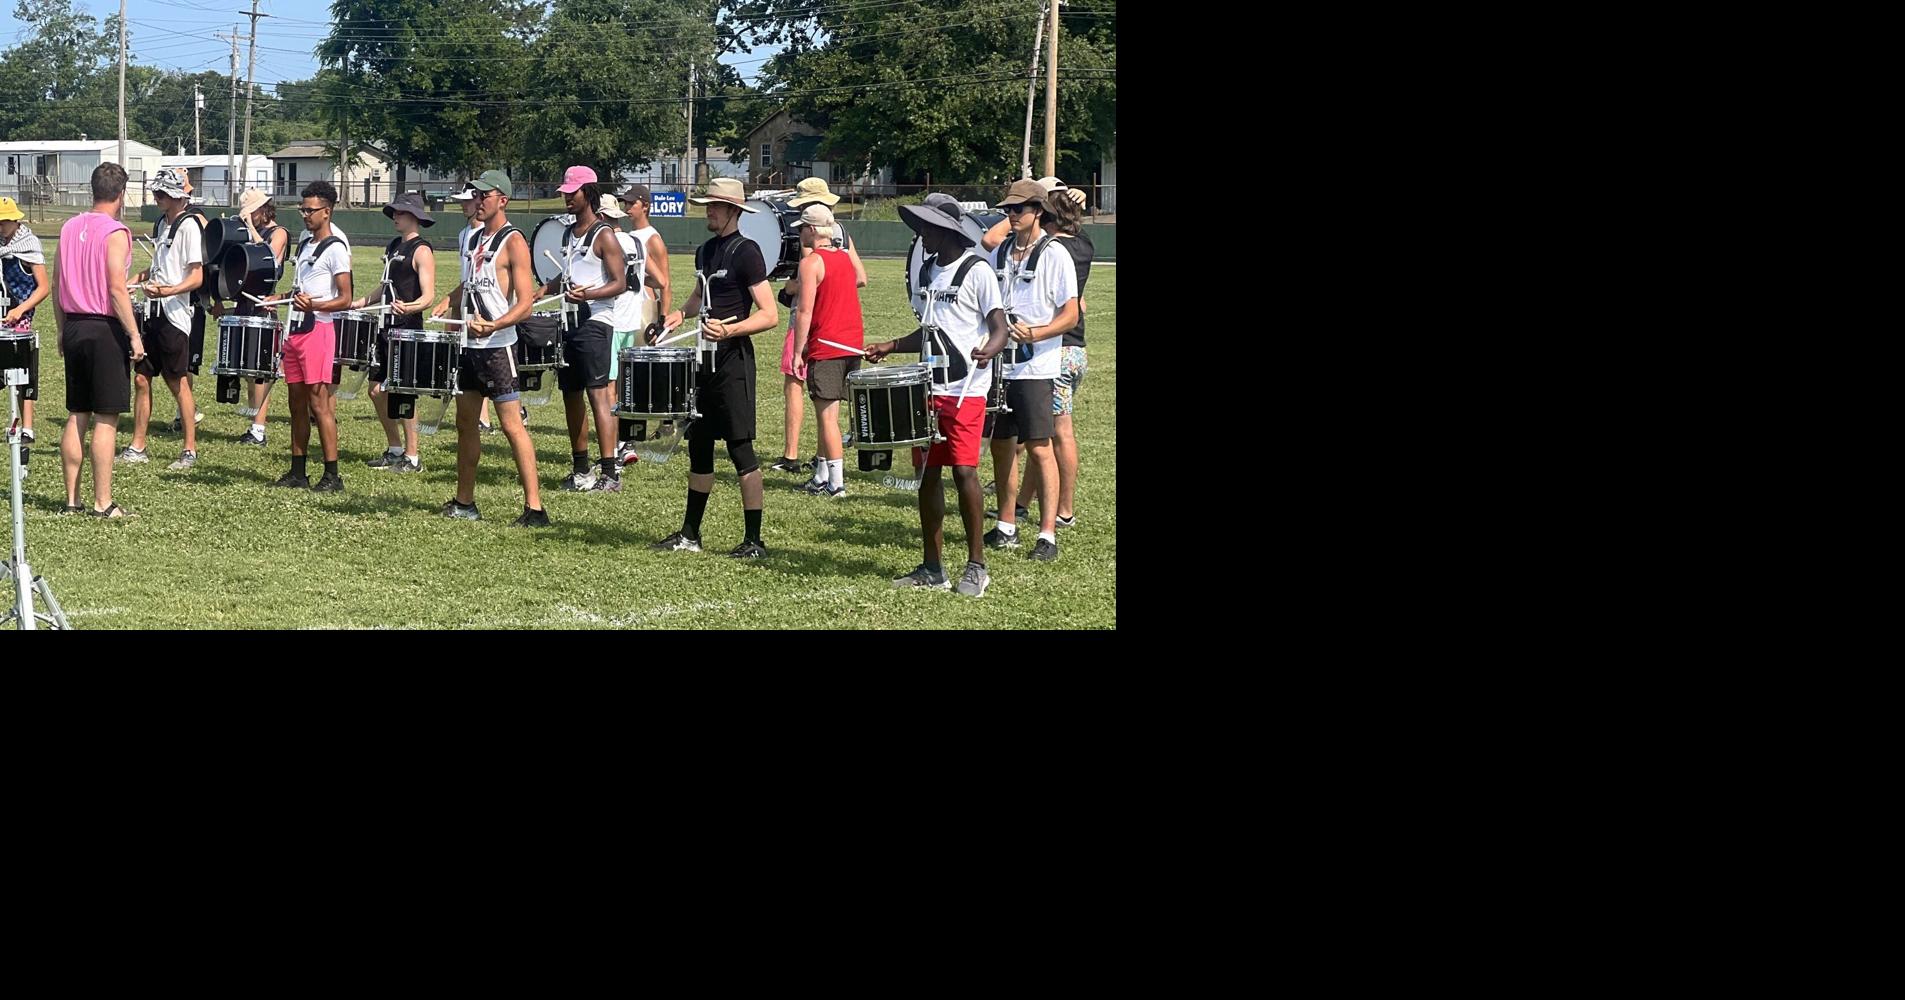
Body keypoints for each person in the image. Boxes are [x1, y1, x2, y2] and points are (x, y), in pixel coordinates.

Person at [864, 197, 1009, 597]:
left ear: (946, 232)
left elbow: (999, 325)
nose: (920, 235)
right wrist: (891, 345)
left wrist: (992, 348)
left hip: (965, 391)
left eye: (926, 228)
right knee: (927, 474)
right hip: (928, 388)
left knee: (964, 472)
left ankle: (977, 565)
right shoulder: (928, 271)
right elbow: (930, 330)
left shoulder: (977, 269)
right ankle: (932, 566)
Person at [648, 177, 778, 557]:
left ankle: (753, 540)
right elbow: (698, 298)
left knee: (741, 452)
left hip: (732, 361)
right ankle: (690, 533)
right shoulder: (705, 251)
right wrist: (675, 316)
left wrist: (730, 329)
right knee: (699, 448)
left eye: (717, 205)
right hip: (702, 362)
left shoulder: (747, 252)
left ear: (735, 211)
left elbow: (769, 314)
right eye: (708, 204)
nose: (710, 210)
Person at [440, 169, 549, 527]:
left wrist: (495, 324)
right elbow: (471, 283)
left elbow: (525, 303)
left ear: (502, 199)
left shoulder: (513, 241)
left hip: (498, 346)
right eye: (478, 195)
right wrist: (450, 299)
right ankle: (464, 501)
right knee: (465, 423)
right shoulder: (472, 239)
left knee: (511, 425)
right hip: (468, 343)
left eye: (486, 195)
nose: (479, 201)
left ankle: (534, 508)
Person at [980, 179, 1076, 562]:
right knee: (1002, 448)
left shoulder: (1056, 255)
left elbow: (1070, 314)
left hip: (1036, 366)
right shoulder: (1001, 252)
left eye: (1018, 209)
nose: (1011, 215)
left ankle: (1047, 533)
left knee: (1039, 448)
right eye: (1007, 210)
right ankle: (1006, 525)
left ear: (1038, 211)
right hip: (1000, 368)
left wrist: (1036, 331)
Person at [53, 162, 147, 518]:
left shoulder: (68, 226)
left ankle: (71, 500)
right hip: (103, 328)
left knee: (78, 412)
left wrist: (62, 330)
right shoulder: (116, 232)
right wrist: (135, 336)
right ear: (121, 195)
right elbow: (115, 287)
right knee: (106, 416)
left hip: (74, 326)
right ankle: (103, 502)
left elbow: (59, 284)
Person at [769, 176, 867, 475]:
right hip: (844, 327)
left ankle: (792, 455)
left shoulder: (811, 244)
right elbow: (859, 276)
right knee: (830, 403)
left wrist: (789, 289)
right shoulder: (841, 232)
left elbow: (810, 280)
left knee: (795, 384)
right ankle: (822, 461)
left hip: (814, 324)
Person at [539, 165, 627, 493]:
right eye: (564, 193)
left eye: (571, 193)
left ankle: (610, 473)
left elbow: (620, 283)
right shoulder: (567, 234)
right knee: (571, 396)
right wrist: (544, 290)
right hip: (569, 323)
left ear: (588, 193)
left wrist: (587, 294)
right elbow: (567, 276)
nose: (566, 199)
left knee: (598, 396)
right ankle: (580, 469)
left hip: (595, 324)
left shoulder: (604, 234)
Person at [119, 166, 202, 471]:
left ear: (177, 195)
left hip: (174, 315)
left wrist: (169, 290)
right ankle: (137, 445)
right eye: (156, 192)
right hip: (151, 312)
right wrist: (135, 279)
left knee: (177, 381)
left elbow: (196, 277)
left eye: (162, 193)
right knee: (142, 378)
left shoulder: (190, 226)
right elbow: (158, 267)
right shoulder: (162, 224)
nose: (157, 197)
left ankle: (190, 449)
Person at [272, 180, 352, 493]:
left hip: (319, 330)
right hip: (296, 330)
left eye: (310, 210)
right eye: (302, 209)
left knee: (320, 406)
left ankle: (332, 475)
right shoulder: (305, 243)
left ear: (327, 212)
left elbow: (345, 298)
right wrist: (283, 297)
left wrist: (314, 304)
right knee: (296, 404)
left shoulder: (336, 248)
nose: (305, 214)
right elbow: (301, 288)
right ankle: (298, 471)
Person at [352, 191, 434, 474]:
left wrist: (408, 307)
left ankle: (413, 457)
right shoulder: (393, 246)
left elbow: (428, 297)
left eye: (400, 212)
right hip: (385, 327)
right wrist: (361, 303)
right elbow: (383, 286)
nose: (395, 217)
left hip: (407, 330)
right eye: (395, 212)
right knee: (376, 391)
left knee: (403, 393)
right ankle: (395, 449)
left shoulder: (422, 250)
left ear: (415, 217)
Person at [786, 204, 861, 499]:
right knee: (830, 415)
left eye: (803, 228)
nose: (800, 234)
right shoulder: (844, 259)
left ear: (813, 230)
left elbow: (805, 310)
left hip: (826, 347)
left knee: (827, 417)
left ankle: (836, 483)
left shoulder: (811, 263)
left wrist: (797, 350)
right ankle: (822, 474)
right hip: (851, 345)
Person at [217, 188, 290, 446]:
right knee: (248, 371)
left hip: (264, 306)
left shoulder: (279, 232)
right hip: (246, 304)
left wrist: (250, 228)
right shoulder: (251, 233)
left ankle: (259, 428)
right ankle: (253, 425)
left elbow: (267, 258)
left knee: (261, 372)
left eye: (253, 213)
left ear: (263, 210)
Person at [0, 197, 49, 473]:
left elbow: (43, 288)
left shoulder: (29, 244)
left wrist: (21, 310)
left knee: (22, 373)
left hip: (20, 315)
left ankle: (27, 426)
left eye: (3, 222)